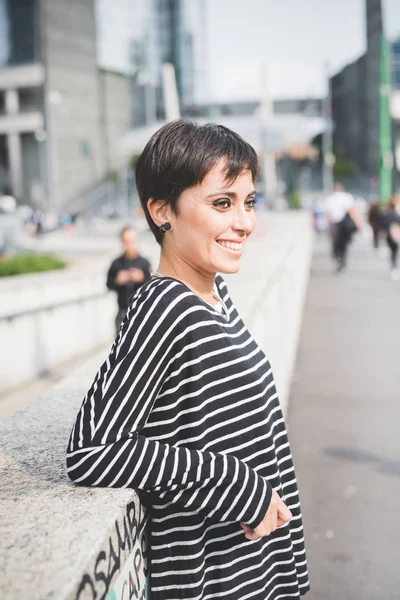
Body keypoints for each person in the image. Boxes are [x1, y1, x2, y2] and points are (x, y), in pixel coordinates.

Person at [66, 120, 310, 599]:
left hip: (254, 566)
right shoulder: (165, 307)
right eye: (223, 203)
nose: (245, 222)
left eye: (249, 201)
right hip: (216, 577)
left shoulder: (215, 291)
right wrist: (238, 483)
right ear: (162, 211)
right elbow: (90, 451)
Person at [106, 226, 152, 333]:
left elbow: (152, 286)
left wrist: (141, 278)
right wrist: (118, 280)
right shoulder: (116, 263)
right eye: (126, 241)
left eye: (132, 241)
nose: (129, 244)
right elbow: (108, 284)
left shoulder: (144, 263)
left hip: (142, 313)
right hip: (123, 313)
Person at [324, 182, 362, 272]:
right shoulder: (346, 197)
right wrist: (358, 224)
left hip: (334, 224)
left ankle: (338, 257)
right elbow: (352, 211)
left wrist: (327, 227)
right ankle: (342, 260)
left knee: (336, 243)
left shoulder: (329, 198)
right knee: (344, 243)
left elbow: (327, 215)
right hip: (344, 225)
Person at [381, 195, 400, 280]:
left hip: (389, 234)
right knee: (394, 251)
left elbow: (382, 223)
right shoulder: (396, 213)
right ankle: (394, 266)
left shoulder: (386, 212)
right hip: (395, 234)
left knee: (393, 251)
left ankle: (393, 265)